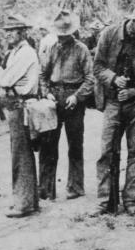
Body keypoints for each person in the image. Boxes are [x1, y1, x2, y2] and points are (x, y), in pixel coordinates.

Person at [94, 0, 135, 215]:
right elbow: (97, 67)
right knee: (107, 151)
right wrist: (113, 79)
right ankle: (106, 201)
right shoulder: (108, 35)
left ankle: (131, 200)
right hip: (113, 103)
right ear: (133, 20)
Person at [38, 10, 94, 200]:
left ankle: (75, 187)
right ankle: (46, 189)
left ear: (72, 32)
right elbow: (43, 76)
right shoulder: (52, 48)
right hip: (54, 98)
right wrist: (47, 93)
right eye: (59, 35)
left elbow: (90, 78)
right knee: (48, 145)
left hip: (73, 99)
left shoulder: (82, 50)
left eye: (65, 34)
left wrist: (77, 96)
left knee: (75, 145)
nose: (62, 38)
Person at [0, 16, 39, 218]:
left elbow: (6, 79)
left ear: (22, 32)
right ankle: (27, 200)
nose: (8, 34)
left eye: (12, 31)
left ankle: (24, 203)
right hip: (14, 105)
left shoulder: (26, 53)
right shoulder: (14, 52)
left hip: (21, 105)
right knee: (20, 153)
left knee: (21, 154)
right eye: (7, 31)